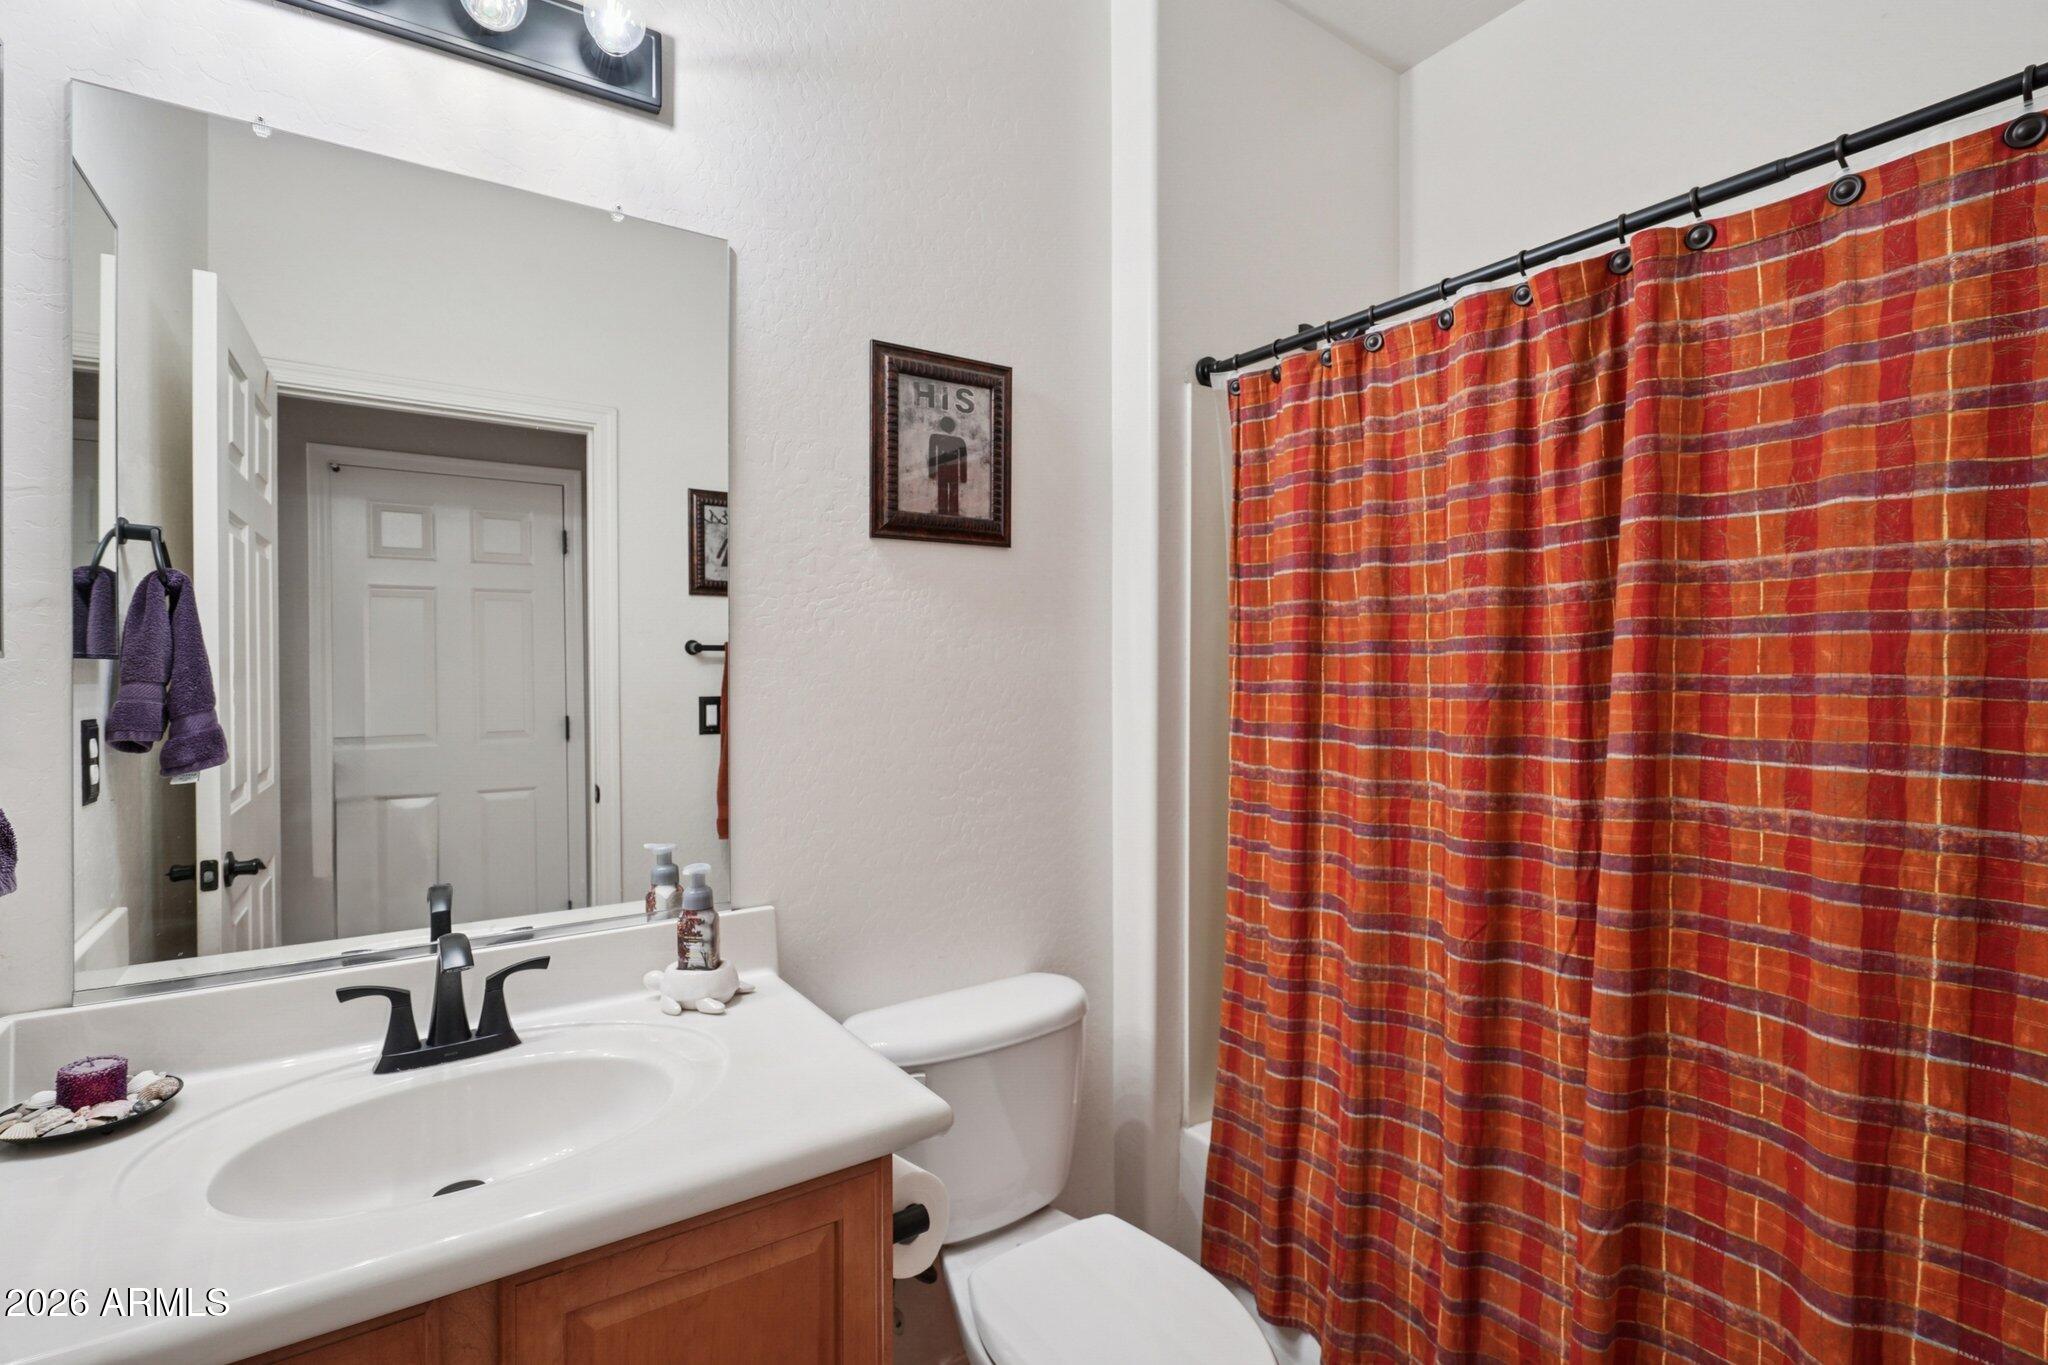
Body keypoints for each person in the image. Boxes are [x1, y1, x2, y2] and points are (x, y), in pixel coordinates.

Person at [927, 415, 970, 516]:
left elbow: (932, 454)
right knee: (952, 493)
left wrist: (932, 472)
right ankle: (952, 513)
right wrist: (963, 477)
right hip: (952, 471)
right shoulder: (960, 441)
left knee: (943, 491)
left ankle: (945, 512)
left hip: (943, 470)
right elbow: (963, 460)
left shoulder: (935, 438)